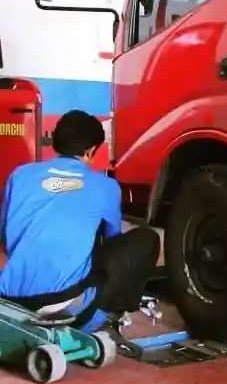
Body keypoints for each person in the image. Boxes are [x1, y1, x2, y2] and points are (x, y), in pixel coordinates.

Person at [0, 110, 160, 334]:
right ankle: (112, 313)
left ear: (55, 142)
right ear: (91, 151)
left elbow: (7, 240)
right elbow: (111, 244)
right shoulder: (106, 186)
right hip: (64, 308)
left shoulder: (20, 175)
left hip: (9, 299)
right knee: (146, 239)